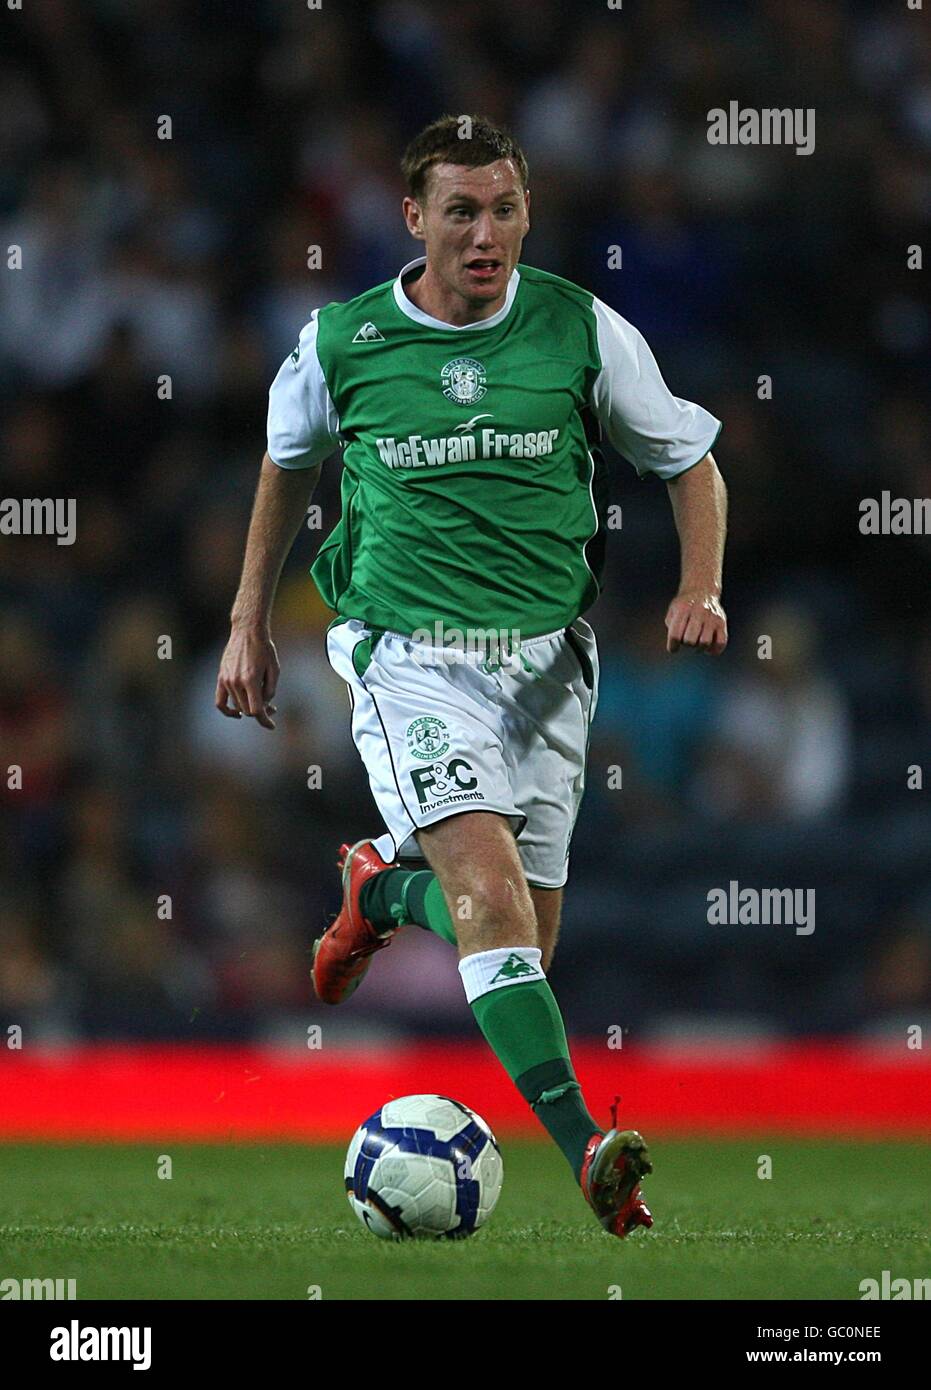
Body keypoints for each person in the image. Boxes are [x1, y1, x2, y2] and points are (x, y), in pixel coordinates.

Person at [216, 114, 728, 1237]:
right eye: (460, 211)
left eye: (502, 208)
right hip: (409, 656)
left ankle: (379, 890)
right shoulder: (343, 340)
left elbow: (689, 457)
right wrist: (249, 618)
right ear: (414, 218)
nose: (484, 233)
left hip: (549, 667)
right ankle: (588, 1148)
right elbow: (286, 465)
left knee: (520, 951)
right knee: (489, 901)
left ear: (525, 213)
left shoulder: (580, 328)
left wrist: (702, 583)